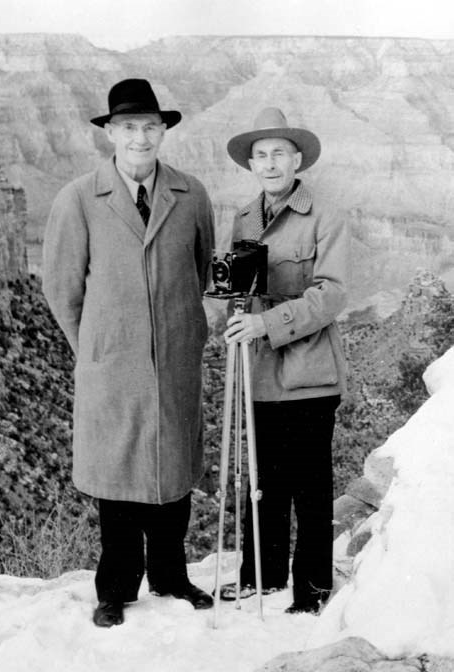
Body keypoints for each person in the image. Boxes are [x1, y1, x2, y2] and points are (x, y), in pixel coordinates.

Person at [42, 78, 215, 628]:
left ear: (163, 132)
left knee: (172, 470)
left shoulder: (191, 195)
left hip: (175, 357)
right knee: (117, 479)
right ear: (110, 133)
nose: (139, 137)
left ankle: (172, 575)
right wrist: (94, 348)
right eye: (128, 127)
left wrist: (179, 332)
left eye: (149, 127)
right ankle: (115, 588)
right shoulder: (78, 198)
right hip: (110, 366)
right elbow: (61, 289)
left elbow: (202, 267)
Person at [219, 107, 350, 614]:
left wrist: (265, 324)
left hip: (310, 372)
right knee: (264, 482)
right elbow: (240, 289)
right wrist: (231, 313)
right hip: (259, 374)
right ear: (251, 164)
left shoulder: (325, 215)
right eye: (260, 155)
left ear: (297, 159)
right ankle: (261, 575)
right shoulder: (244, 218)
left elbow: (332, 293)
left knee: (310, 487)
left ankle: (312, 590)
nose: (270, 163)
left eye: (279, 153)